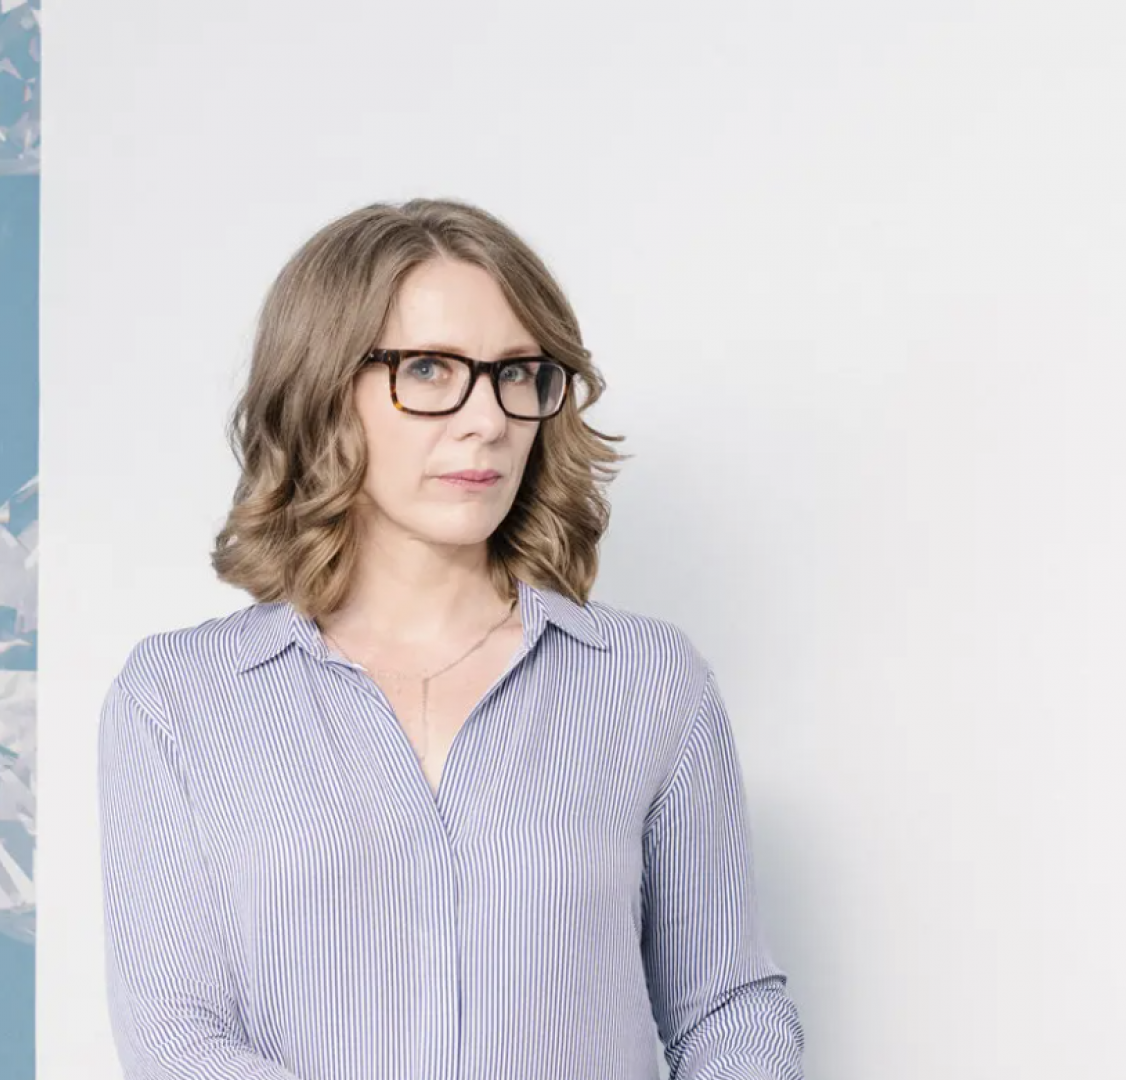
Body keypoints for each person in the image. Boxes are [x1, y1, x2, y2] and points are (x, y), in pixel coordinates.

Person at [96, 197, 805, 1080]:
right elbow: (175, 1037)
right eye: (429, 369)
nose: (487, 419)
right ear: (322, 389)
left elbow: (728, 1009)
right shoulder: (179, 698)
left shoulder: (650, 681)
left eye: (517, 372)